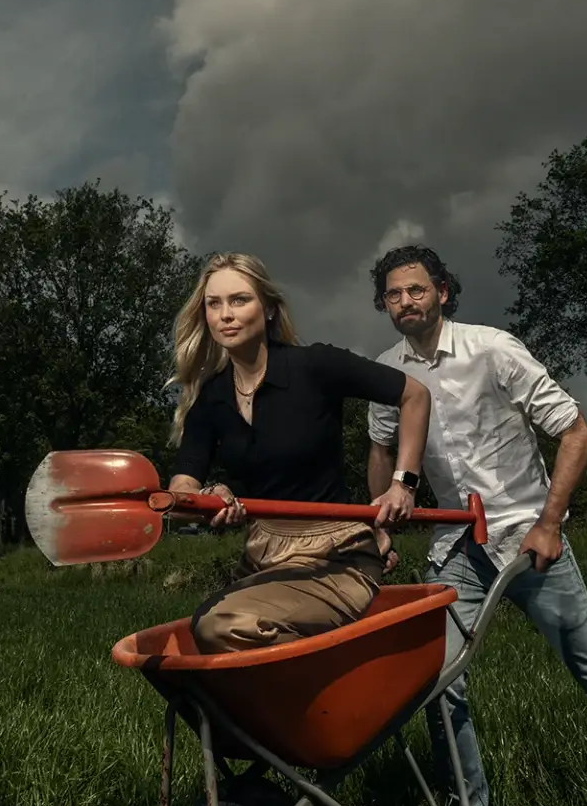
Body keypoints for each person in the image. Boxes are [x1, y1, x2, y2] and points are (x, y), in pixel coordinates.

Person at [363, 244, 587, 806]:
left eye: (416, 289)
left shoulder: (493, 349)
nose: (405, 301)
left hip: (524, 537)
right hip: (455, 547)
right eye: (393, 294)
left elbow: (576, 432)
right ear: (384, 304)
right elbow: (381, 451)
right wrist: (381, 530)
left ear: (441, 291)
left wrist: (548, 523)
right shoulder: (388, 372)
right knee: (441, 686)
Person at [167, 252, 433, 653]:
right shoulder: (211, 398)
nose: (226, 314)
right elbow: (180, 494)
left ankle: (340, 680)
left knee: (220, 627)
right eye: (214, 303)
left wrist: (404, 485)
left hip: (336, 557)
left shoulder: (315, 366)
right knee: (207, 636)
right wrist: (207, 499)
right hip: (262, 557)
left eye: (240, 300)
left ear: (270, 309)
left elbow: (415, 395)